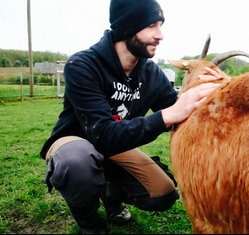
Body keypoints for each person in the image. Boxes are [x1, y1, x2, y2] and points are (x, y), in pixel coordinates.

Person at [39, 0, 221, 233]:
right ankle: (91, 224)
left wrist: (207, 93)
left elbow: (178, 111)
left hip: (115, 146)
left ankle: (109, 195)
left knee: (162, 194)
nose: (160, 35)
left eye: (161, 25)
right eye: (152, 26)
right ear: (127, 28)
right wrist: (169, 114)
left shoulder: (150, 72)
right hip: (77, 141)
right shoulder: (83, 65)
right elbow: (102, 134)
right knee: (76, 163)